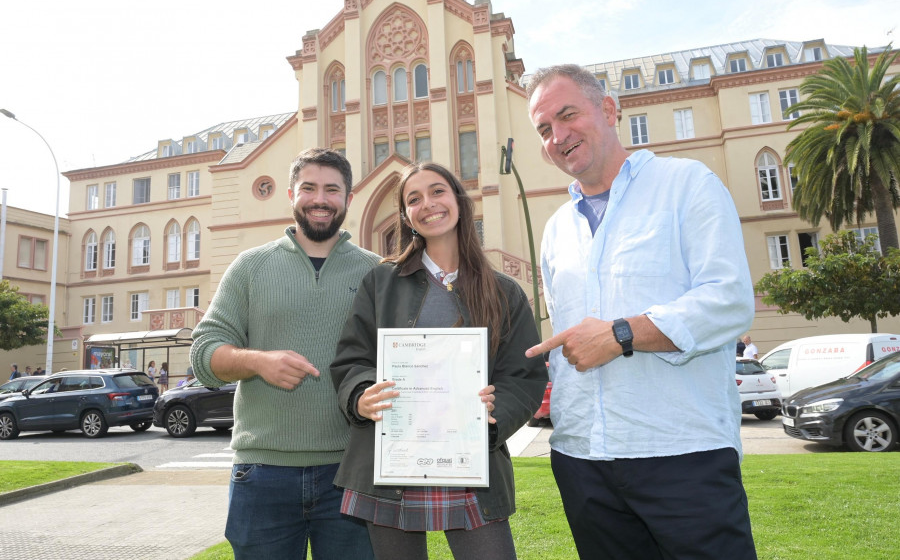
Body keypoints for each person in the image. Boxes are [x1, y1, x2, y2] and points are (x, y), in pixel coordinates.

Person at [525, 64, 757, 560]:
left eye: (568, 116)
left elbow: (730, 298)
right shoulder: (556, 230)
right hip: (582, 458)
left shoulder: (686, 184)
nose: (558, 136)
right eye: (544, 129)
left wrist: (622, 334)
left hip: (682, 453)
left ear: (608, 110)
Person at [330, 162, 548, 560]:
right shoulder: (380, 283)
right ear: (406, 216)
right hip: (392, 465)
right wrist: (361, 395)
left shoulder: (503, 291)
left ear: (459, 202)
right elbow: (352, 359)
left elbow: (523, 376)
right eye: (413, 199)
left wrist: (497, 413)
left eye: (437, 192)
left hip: (470, 462)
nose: (427, 204)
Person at [191, 147, 379, 560]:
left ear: (348, 199)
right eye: (309, 187)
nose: (320, 199)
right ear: (292, 194)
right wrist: (257, 362)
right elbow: (203, 355)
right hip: (262, 474)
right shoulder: (250, 267)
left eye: (333, 189)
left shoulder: (376, 272)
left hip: (352, 472)